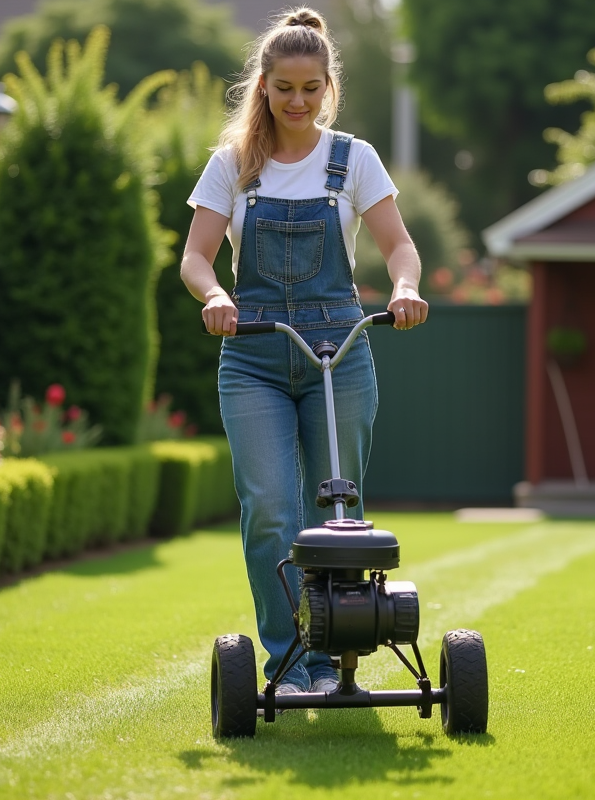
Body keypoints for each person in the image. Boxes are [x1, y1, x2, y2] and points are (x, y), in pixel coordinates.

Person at [181, 7, 428, 695]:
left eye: (310, 88)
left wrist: (405, 286)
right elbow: (195, 258)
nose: (297, 100)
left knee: (337, 514)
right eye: (284, 87)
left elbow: (399, 245)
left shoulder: (354, 158)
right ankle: (289, 662)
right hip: (255, 353)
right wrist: (215, 297)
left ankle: (332, 660)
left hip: (338, 349)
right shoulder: (233, 164)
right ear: (262, 84)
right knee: (268, 511)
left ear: (329, 87)